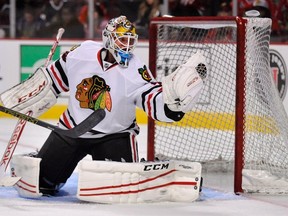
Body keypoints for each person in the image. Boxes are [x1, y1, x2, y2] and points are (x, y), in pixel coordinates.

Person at [2, 15, 206, 196]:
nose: (127, 46)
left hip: (114, 136)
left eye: (130, 40)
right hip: (71, 129)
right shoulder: (82, 53)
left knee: (119, 192)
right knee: (42, 185)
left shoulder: (137, 71)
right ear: (108, 39)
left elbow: (152, 101)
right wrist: (34, 92)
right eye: (122, 39)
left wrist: (172, 107)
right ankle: (40, 162)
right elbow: (54, 80)